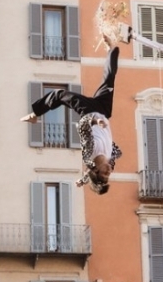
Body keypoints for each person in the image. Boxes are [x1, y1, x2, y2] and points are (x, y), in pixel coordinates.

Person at [21, 38, 122, 194]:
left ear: (96, 171)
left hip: (88, 111)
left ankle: (35, 113)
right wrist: (83, 180)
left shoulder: (89, 153)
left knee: (59, 94)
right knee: (110, 77)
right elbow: (94, 170)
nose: (109, 171)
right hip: (104, 109)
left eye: (104, 173)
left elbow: (82, 125)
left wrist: (95, 121)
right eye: (109, 175)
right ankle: (112, 48)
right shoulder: (110, 161)